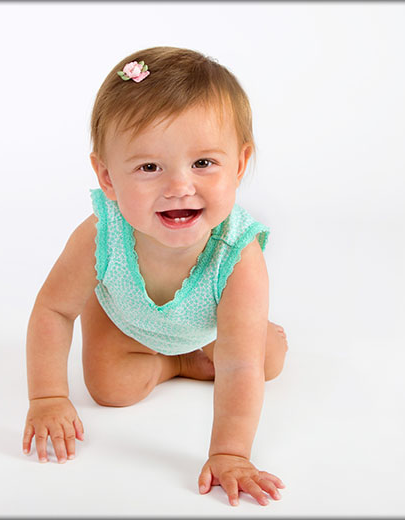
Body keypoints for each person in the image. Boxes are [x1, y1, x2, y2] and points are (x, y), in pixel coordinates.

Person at [22, 46, 288, 507]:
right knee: (108, 389)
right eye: (149, 167)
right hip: (125, 322)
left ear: (240, 165)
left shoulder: (237, 253)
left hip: (209, 329)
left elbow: (241, 366)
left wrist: (230, 453)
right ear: (107, 177)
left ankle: (206, 348)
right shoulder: (102, 234)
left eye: (203, 163)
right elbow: (53, 309)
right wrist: (47, 397)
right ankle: (176, 362)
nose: (179, 186)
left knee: (264, 361)